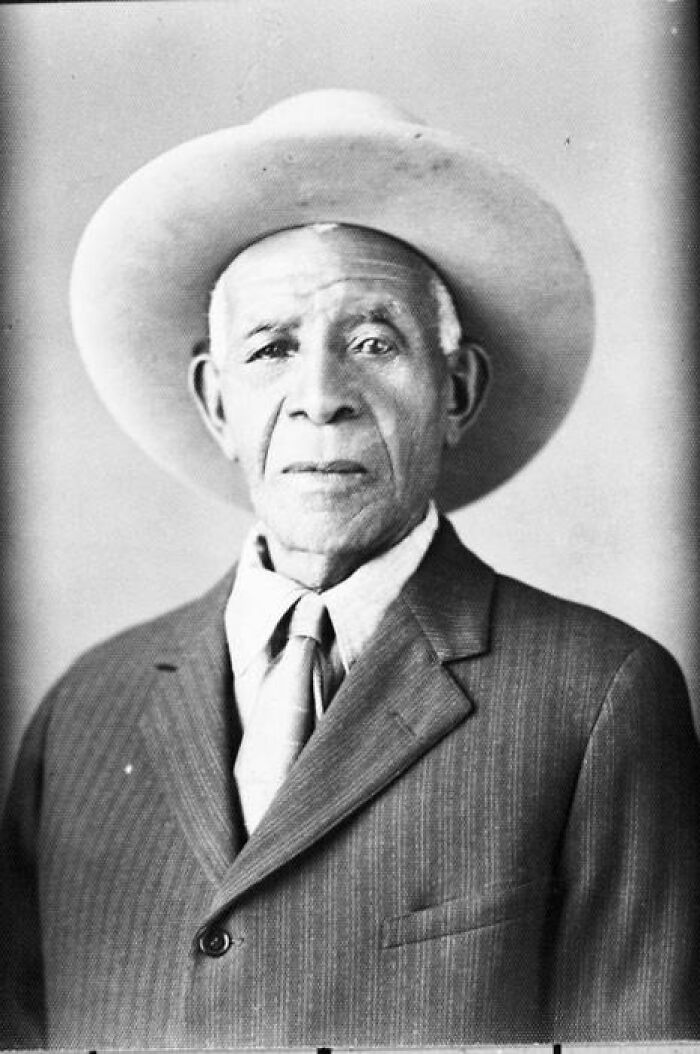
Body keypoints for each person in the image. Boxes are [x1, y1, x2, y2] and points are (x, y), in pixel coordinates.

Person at [1, 89, 699, 1049]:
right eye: (273, 349)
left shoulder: (599, 694)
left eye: (374, 344)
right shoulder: (87, 708)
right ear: (217, 402)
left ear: (456, 392)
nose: (321, 398)